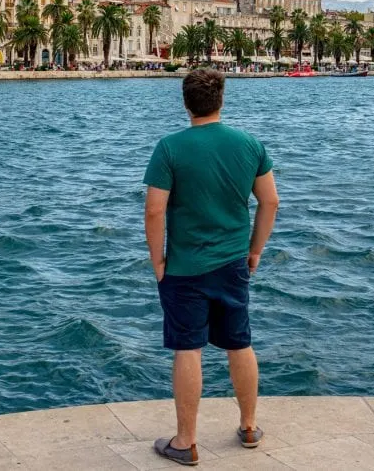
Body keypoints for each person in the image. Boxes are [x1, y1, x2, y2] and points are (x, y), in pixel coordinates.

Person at [144, 69, 279, 466]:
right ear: (221, 100)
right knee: (239, 342)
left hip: (184, 268)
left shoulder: (169, 148)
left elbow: (154, 210)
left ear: (186, 103)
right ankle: (250, 426)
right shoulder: (249, 144)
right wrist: (255, 251)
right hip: (233, 262)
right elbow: (270, 202)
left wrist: (158, 260)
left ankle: (185, 443)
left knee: (188, 349)